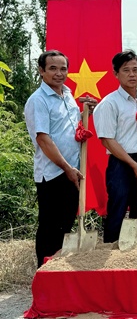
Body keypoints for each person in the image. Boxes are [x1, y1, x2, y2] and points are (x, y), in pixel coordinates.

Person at [24, 50, 96, 267]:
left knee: (64, 225)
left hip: (72, 171)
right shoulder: (38, 100)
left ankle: (57, 273)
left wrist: (86, 113)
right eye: (53, 68)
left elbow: (68, 128)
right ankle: (44, 271)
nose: (59, 73)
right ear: (41, 71)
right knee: (50, 227)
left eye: (63, 69)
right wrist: (66, 168)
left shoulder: (68, 95)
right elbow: (43, 139)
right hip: (53, 173)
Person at [93, 50, 137, 243]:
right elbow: (107, 140)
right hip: (121, 162)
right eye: (126, 70)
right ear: (116, 73)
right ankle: (111, 247)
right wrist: (133, 164)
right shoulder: (109, 103)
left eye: (135, 69)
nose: (132, 74)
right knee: (118, 204)